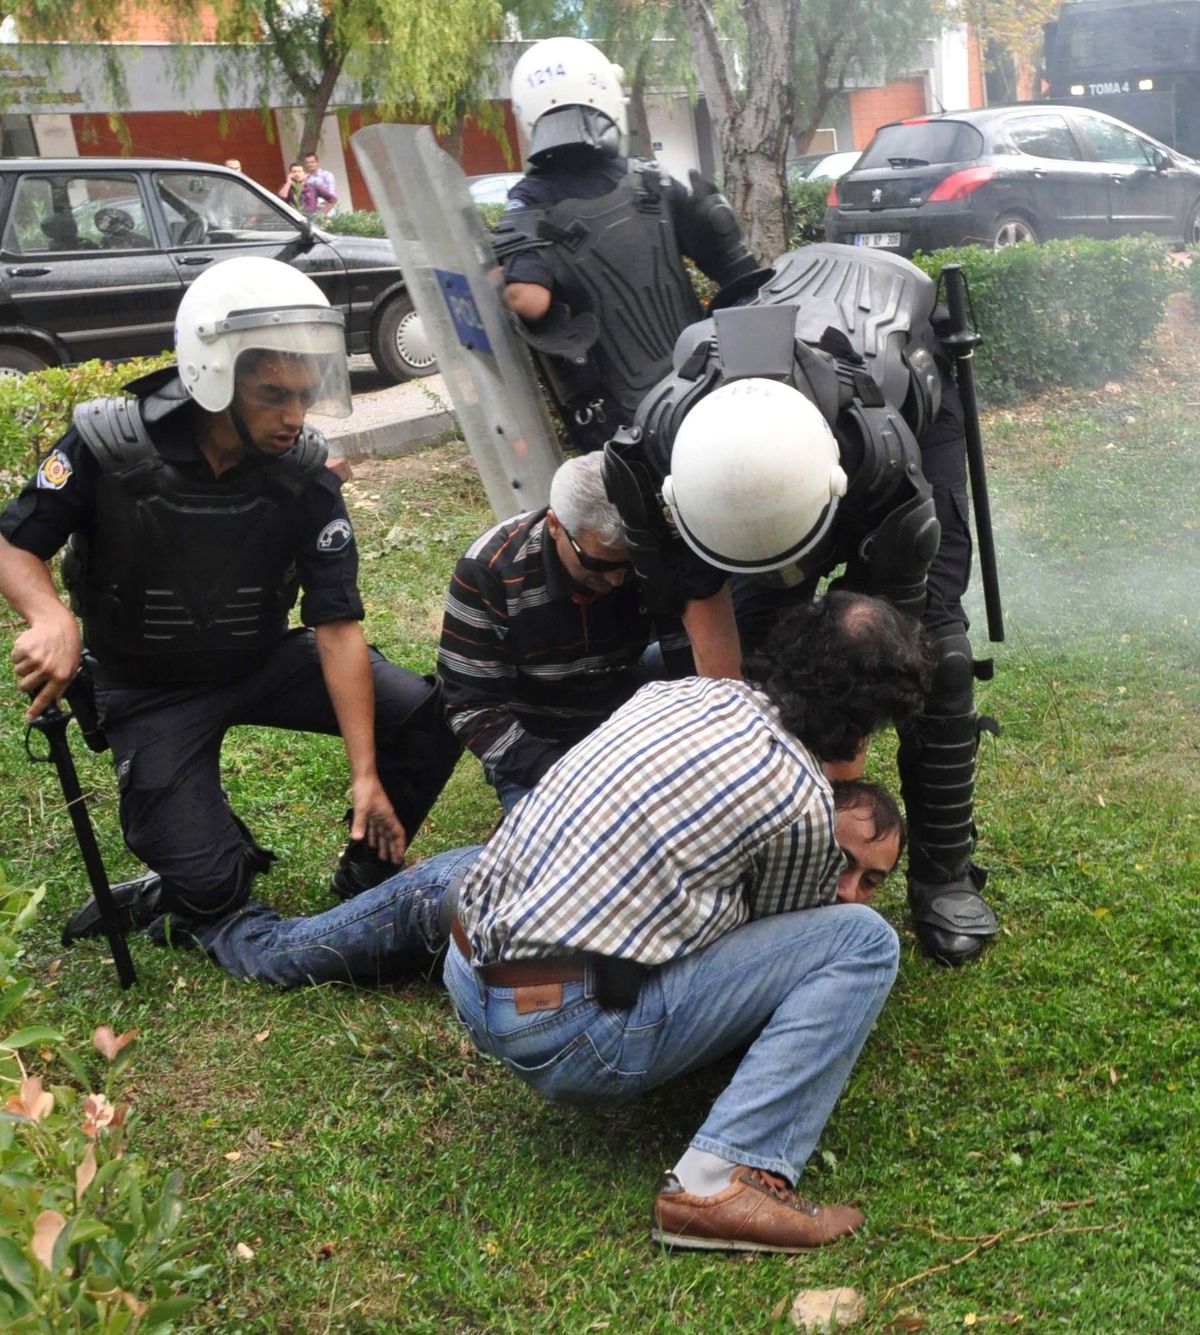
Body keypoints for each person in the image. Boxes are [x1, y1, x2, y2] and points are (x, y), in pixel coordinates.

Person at [0, 256, 460, 965]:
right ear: (212, 377)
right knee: (216, 889)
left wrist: (366, 773)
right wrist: (50, 616)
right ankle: (183, 883)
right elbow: (13, 543)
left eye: (305, 395)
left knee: (426, 717)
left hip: (262, 659)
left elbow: (337, 623)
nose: (294, 417)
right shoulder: (109, 446)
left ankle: (366, 875)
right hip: (149, 688)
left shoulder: (301, 474)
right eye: (274, 395)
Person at [443, 592, 931, 1252]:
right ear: (864, 728)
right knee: (863, 941)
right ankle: (723, 1182)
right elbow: (788, 935)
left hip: (468, 972)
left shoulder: (679, 694)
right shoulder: (797, 796)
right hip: (562, 1035)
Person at [601, 244, 1001, 966]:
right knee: (754, 641)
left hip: (900, 377)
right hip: (754, 458)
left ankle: (942, 875)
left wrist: (837, 781)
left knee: (935, 657)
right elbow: (698, 625)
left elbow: (882, 666)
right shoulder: (648, 455)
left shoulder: (883, 457)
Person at [495, 36, 762, 455]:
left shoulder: (531, 200)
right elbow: (739, 274)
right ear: (605, 95)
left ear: (530, 114)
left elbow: (529, 300)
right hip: (704, 388)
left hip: (616, 423)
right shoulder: (651, 180)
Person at [437, 453, 694, 813]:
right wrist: (567, 776)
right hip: (539, 737)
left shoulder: (648, 550)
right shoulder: (489, 572)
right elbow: (471, 708)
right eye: (599, 565)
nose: (615, 580)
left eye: (627, 566)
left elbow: (685, 654)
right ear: (556, 525)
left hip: (626, 709)